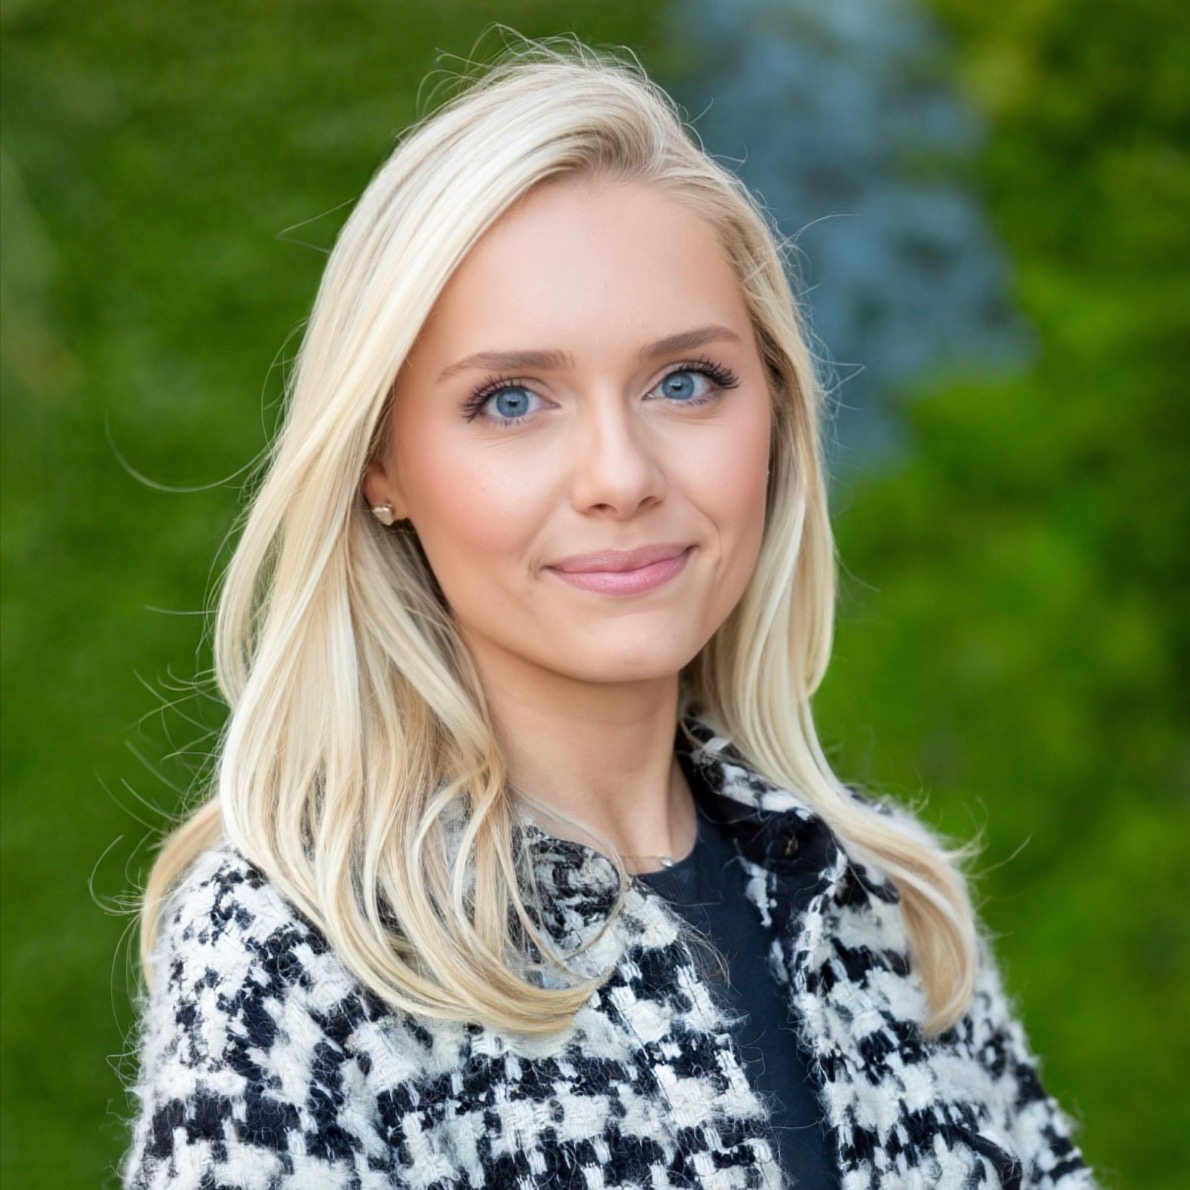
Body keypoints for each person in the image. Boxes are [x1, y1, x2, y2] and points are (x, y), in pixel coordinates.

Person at [122, 43, 1095, 1190]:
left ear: (776, 415)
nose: (619, 475)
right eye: (512, 400)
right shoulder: (297, 953)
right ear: (381, 462)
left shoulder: (887, 903)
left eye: (683, 380)